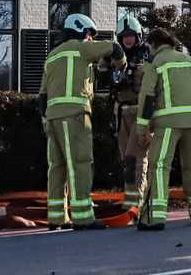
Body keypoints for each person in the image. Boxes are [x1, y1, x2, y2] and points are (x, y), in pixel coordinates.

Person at [40, 13, 126, 230]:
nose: (90, 39)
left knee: (56, 167)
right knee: (80, 164)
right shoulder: (81, 47)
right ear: (82, 31)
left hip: (52, 118)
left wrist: (46, 118)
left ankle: (57, 217)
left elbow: (42, 95)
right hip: (75, 116)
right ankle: (83, 217)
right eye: (89, 34)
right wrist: (121, 65)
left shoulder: (52, 56)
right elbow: (114, 48)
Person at [136, 26, 191, 231]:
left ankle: (155, 217)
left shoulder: (156, 63)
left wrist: (142, 127)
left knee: (160, 166)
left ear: (153, 45)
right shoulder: (189, 60)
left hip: (167, 124)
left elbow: (147, 97)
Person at [112, 12, 154, 213]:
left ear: (138, 37)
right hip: (121, 113)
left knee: (137, 159)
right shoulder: (116, 59)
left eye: (131, 36)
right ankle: (130, 202)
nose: (127, 40)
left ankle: (138, 204)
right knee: (125, 159)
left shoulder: (148, 58)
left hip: (140, 113)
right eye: (124, 37)